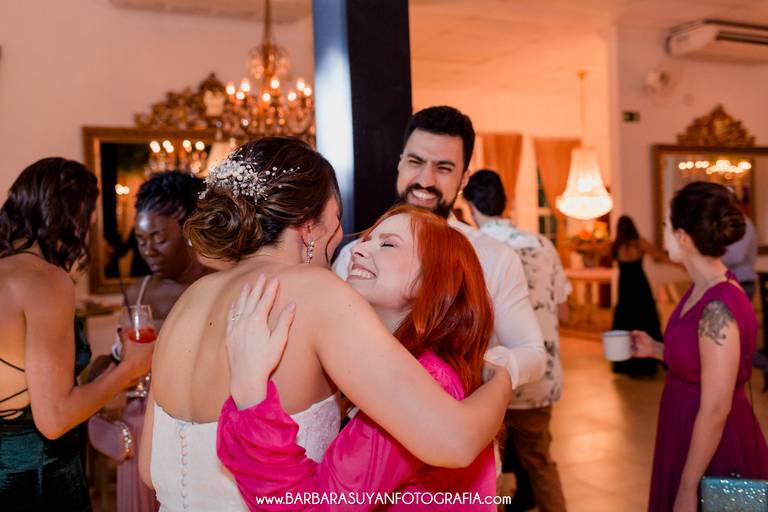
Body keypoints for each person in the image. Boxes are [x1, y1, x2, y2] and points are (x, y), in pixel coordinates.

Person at [138, 137, 513, 511]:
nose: (345, 240)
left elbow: (149, 470)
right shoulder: (317, 292)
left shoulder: (188, 301)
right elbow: (453, 441)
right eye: (337, 218)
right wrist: (501, 384)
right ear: (307, 227)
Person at [218, 205, 498, 510]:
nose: (358, 249)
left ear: (434, 280)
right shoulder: (412, 369)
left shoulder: (428, 380)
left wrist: (251, 394)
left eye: (388, 244)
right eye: (366, 240)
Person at [333, 106, 545, 391]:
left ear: (464, 178)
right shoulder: (356, 255)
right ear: (400, 163)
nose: (425, 180)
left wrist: (462, 373)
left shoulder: (495, 258)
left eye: (443, 168)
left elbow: (532, 353)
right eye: (415, 162)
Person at [0, 158, 153, 510]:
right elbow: (54, 419)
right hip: (37, 479)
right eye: (89, 222)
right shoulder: (45, 280)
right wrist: (129, 370)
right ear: (72, 216)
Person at [631, 182, 768, 512]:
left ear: (682, 236)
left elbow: (716, 408)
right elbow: (701, 359)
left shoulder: (718, 306)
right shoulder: (700, 289)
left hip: (713, 442)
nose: (663, 234)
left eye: (665, 225)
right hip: (684, 426)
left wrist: (688, 487)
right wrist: (657, 350)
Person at [463, 169, 569, 512]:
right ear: (505, 202)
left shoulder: (472, 249)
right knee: (540, 463)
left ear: (470, 207)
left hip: (488, 381)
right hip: (541, 378)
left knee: (486, 473)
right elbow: (564, 311)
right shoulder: (543, 245)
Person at [112, 171, 213, 512]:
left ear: (189, 231)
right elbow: (122, 358)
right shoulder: (138, 291)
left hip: (199, 420)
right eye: (141, 239)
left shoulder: (217, 285)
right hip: (142, 421)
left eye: (158, 237)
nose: (148, 250)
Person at [611, 215, 669, 377]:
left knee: (626, 323)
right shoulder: (639, 243)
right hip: (640, 287)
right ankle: (649, 361)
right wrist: (681, 264)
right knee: (646, 321)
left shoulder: (616, 246)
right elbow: (659, 256)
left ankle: (626, 364)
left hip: (625, 289)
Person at [722, 209, 757, 301]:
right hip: (733, 283)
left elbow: (736, 257)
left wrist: (710, 260)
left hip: (741, 283)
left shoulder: (741, 223)